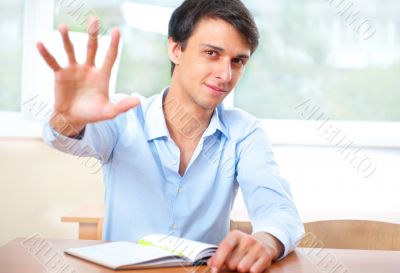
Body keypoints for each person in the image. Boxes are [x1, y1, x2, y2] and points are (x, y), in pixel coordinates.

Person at [37, 0, 304, 272]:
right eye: (212, 53)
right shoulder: (124, 116)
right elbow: (61, 137)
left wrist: (266, 241)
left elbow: (279, 210)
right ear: (176, 49)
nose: (225, 75)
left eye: (238, 61)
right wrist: (69, 117)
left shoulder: (244, 132)